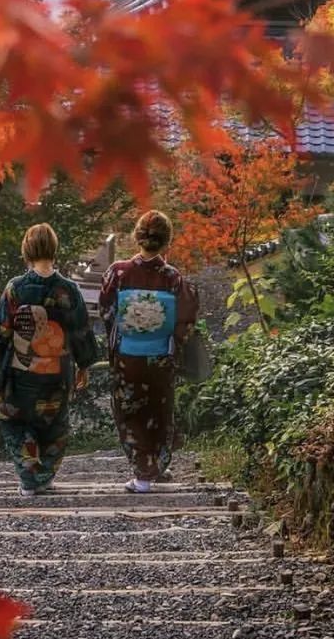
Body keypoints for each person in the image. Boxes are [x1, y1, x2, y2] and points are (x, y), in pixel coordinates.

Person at [0, 222, 97, 496]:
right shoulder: (68, 290)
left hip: (20, 372)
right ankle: (43, 476)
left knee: (14, 420)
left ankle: (28, 477)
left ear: (27, 250)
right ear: (54, 249)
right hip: (57, 371)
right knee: (54, 425)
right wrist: (84, 365)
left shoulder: (17, 287)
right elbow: (81, 331)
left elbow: (1, 330)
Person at [99, 209, 198, 493]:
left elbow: (107, 312)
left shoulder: (119, 272)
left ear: (137, 237)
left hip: (128, 356)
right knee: (160, 410)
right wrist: (173, 343)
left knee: (131, 412)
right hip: (161, 356)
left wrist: (118, 342)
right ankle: (156, 464)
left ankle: (143, 472)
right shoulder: (173, 278)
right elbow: (185, 319)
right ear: (166, 240)